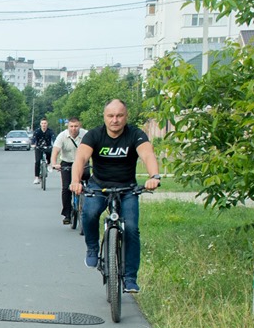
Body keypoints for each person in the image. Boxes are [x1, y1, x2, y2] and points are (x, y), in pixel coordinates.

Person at [70, 99, 161, 293]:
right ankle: (93, 248)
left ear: (126, 117)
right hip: (99, 186)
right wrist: (76, 181)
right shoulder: (95, 135)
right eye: (110, 116)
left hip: (127, 188)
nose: (115, 120)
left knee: (131, 228)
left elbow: (147, 155)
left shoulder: (135, 134)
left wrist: (154, 176)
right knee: (90, 213)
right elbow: (81, 158)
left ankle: (130, 278)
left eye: (119, 115)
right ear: (104, 117)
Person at [50, 117, 89, 224]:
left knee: (89, 186)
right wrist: (54, 163)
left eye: (76, 126)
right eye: (71, 126)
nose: (74, 129)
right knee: (66, 188)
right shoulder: (62, 136)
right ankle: (67, 213)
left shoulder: (86, 134)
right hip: (67, 163)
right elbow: (55, 151)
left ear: (79, 126)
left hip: (83, 162)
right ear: (68, 127)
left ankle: (87, 208)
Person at [32, 118, 55, 184]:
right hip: (39, 147)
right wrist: (33, 144)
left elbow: (54, 138)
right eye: (42, 123)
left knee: (50, 154)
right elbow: (33, 139)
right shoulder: (37, 131)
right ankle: (36, 177)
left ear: (47, 124)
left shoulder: (50, 131)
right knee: (37, 161)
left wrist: (55, 144)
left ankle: (48, 164)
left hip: (48, 147)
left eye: (45, 123)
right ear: (40, 124)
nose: (43, 125)